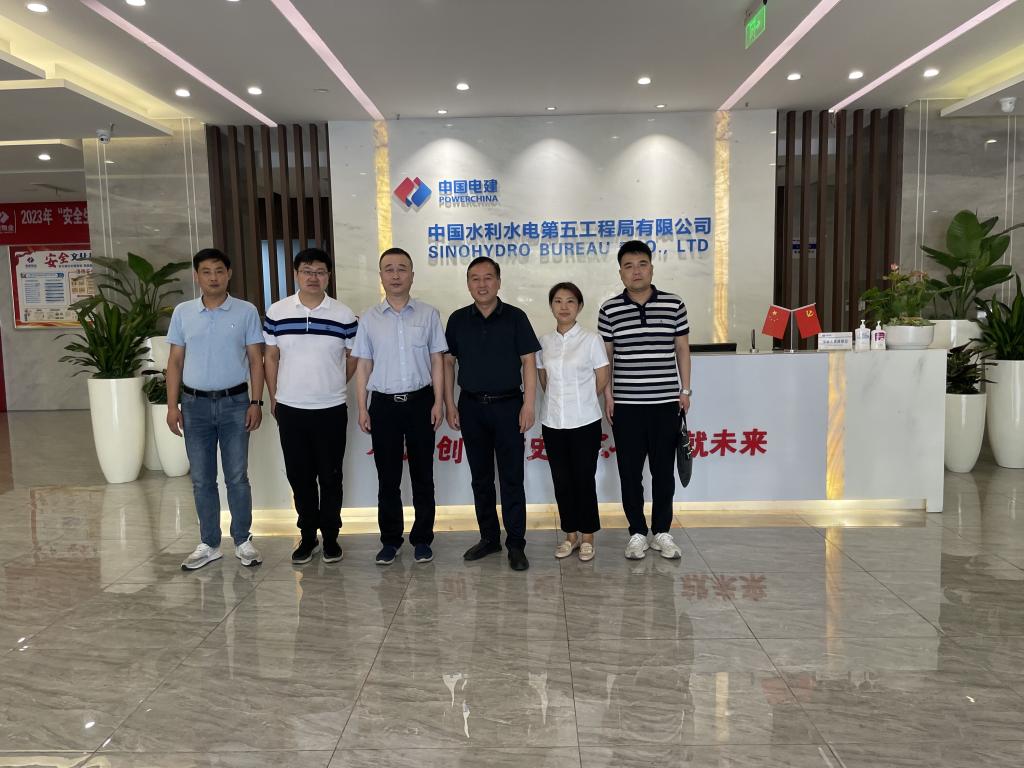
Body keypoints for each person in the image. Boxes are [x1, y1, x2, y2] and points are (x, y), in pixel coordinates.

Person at [166, 247, 266, 570]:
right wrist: (172, 406)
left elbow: (256, 360)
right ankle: (209, 543)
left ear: (229, 274)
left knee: (237, 476)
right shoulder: (183, 312)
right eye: (206, 272)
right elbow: (175, 361)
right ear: (197, 276)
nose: (213, 278)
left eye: (219, 271)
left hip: (235, 404)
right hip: (193, 405)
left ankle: (242, 540)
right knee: (202, 479)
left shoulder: (246, 311)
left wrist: (256, 401)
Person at [444, 256, 540, 571]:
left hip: (509, 405)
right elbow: (448, 363)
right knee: (481, 478)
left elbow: (528, 362)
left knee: (512, 478)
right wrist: (449, 403)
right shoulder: (458, 319)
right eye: (475, 278)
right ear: (468, 283)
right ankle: (489, 538)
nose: (482, 284)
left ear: (498, 282)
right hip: (471, 406)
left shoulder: (516, 317)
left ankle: (516, 543)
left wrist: (529, 404)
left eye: (488, 278)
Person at [353, 247, 447, 565]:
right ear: (381, 276)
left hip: (421, 402)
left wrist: (438, 402)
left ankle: (422, 539)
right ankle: (390, 540)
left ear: (412, 275)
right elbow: (363, 365)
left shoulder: (428, 314)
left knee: (423, 476)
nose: (396, 275)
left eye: (402, 268)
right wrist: (363, 407)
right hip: (384, 406)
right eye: (389, 269)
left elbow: (438, 360)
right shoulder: (369, 318)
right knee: (388, 478)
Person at [263, 247, 358, 565]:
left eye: (320, 271)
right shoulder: (278, 312)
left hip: (331, 407)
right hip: (291, 408)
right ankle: (307, 537)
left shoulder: (343, 314)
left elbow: (352, 357)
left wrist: (334, 382)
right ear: (296, 274)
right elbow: (271, 356)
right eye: (307, 271)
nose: (313, 277)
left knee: (331, 476)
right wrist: (274, 397)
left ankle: (330, 537)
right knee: (299, 476)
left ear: (329, 276)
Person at [598, 240, 691, 560]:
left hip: (665, 404)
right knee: (630, 473)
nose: (636, 271)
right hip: (626, 406)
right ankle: (637, 532)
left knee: (664, 472)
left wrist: (685, 390)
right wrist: (608, 395)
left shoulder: (674, 304)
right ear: (620, 273)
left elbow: (682, 349)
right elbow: (606, 357)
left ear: (651, 267)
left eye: (642, 264)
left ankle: (662, 531)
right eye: (628, 266)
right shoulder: (609, 309)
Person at [537, 282, 609, 561]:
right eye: (558, 301)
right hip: (553, 421)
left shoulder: (591, 340)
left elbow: (602, 378)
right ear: (551, 306)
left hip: (585, 421)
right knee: (561, 480)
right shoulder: (544, 342)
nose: (564, 306)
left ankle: (588, 535)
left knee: (584, 479)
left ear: (579, 306)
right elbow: (544, 379)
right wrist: (560, 401)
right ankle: (570, 535)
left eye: (570, 301)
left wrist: (582, 400)